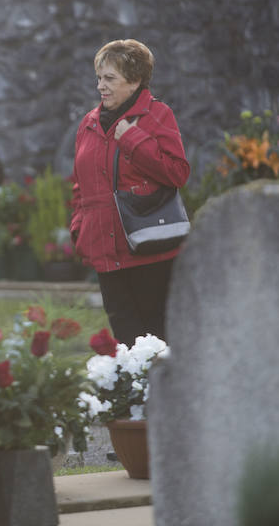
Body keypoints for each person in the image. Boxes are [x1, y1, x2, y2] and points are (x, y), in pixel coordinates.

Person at [69, 39, 190, 345]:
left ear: (135, 80)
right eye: (99, 78)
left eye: (110, 78)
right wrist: (78, 228)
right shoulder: (89, 122)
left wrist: (134, 139)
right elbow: (79, 184)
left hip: (149, 250)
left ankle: (160, 395)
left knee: (158, 342)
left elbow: (177, 172)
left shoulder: (157, 115)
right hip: (106, 255)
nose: (101, 86)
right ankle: (136, 394)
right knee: (126, 343)